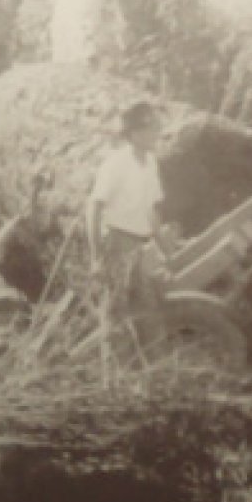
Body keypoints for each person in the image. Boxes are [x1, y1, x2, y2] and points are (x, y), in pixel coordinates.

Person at [85, 100, 170, 374]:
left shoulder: (150, 164)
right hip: (117, 244)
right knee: (115, 316)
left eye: (157, 127)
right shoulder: (116, 164)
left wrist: (167, 251)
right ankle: (113, 386)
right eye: (151, 128)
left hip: (141, 245)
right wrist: (97, 257)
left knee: (148, 312)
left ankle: (152, 382)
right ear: (134, 133)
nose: (157, 133)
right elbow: (94, 207)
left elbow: (152, 212)